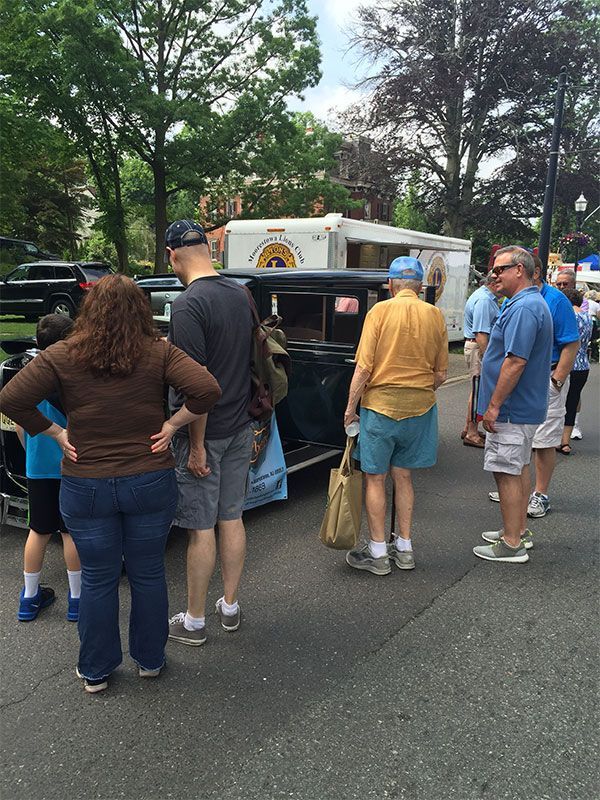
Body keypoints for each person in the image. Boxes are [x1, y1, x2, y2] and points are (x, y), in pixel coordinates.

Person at [0, 275, 221, 693]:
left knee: (99, 578)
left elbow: (11, 398)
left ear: (89, 311)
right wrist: (172, 424)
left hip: (86, 483)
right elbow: (207, 389)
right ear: (139, 310)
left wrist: (55, 434)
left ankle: (96, 670)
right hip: (149, 479)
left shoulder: (63, 353)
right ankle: (151, 660)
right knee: (148, 572)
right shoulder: (159, 351)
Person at [164, 220, 255, 646]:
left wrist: (196, 445)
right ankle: (231, 606)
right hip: (241, 423)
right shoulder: (240, 294)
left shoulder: (187, 305)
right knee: (232, 517)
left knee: (201, 528)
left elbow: (196, 384)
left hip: (207, 432)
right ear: (207, 248)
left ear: (173, 255)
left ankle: (196, 621)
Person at [343, 256, 448, 575]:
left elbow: (363, 368)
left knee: (375, 478)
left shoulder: (379, 312)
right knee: (404, 477)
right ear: (420, 286)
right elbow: (441, 374)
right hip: (419, 409)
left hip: (380, 407)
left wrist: (349, 410)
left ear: (390, 285)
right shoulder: (435, 315)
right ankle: (404, 548)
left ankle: (377, 553)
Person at [473, 247, 552, 564]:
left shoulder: (523, 308)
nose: (494, 275)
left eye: (499, 269)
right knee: (517, 468)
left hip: (512, 409)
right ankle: (517, 530)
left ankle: (511, 544)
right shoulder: (528, 303)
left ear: (519, 269)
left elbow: (515, 361)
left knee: (506, 471)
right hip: (521, 408)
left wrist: (493, 407)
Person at [13, 314, 81, 623]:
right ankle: (77, 600)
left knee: (38, 530)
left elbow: (18, 425)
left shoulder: (29, 378)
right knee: (70, 532)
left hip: (37, 466)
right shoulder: (71, 378)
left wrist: (30, 452)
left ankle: (29, 598)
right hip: (70, 464)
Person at [526, 256, 579, 517]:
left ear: (534, 272)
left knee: (545, 439)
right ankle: (521, 486)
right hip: (522, 378)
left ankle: (540, 494)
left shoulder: (556, 300)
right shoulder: (517, 298)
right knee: (521, 435)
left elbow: (572, 343)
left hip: (547, 376)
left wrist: (557, 380)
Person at [461, 273, 500, 447]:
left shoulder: (483, 297)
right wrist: (489, 357)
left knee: (475, 390)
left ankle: (469, 428)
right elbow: (481, 333)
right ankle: (471, 432)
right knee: (478, 390)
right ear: (493, 283)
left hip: (475, 347)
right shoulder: (485, 300)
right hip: (478, 348)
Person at [557, 288, 593, 453]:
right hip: (583, 365)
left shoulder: (569, 316)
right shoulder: (588, 317)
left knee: (558, 402)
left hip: (567, 364)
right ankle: (565, 441)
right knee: (572, 401)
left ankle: (553, 438)